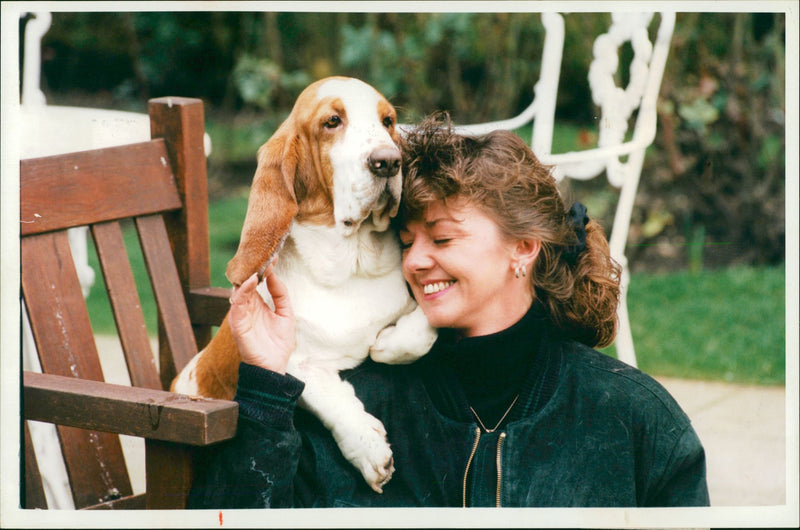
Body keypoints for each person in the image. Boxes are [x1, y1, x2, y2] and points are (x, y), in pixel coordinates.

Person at [188, 113, 709, 508]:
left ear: (524, 248)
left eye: (442, 238)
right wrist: (266, 385)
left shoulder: (633, 418)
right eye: (406, 241)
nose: (415, 262)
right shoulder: (362, 407)